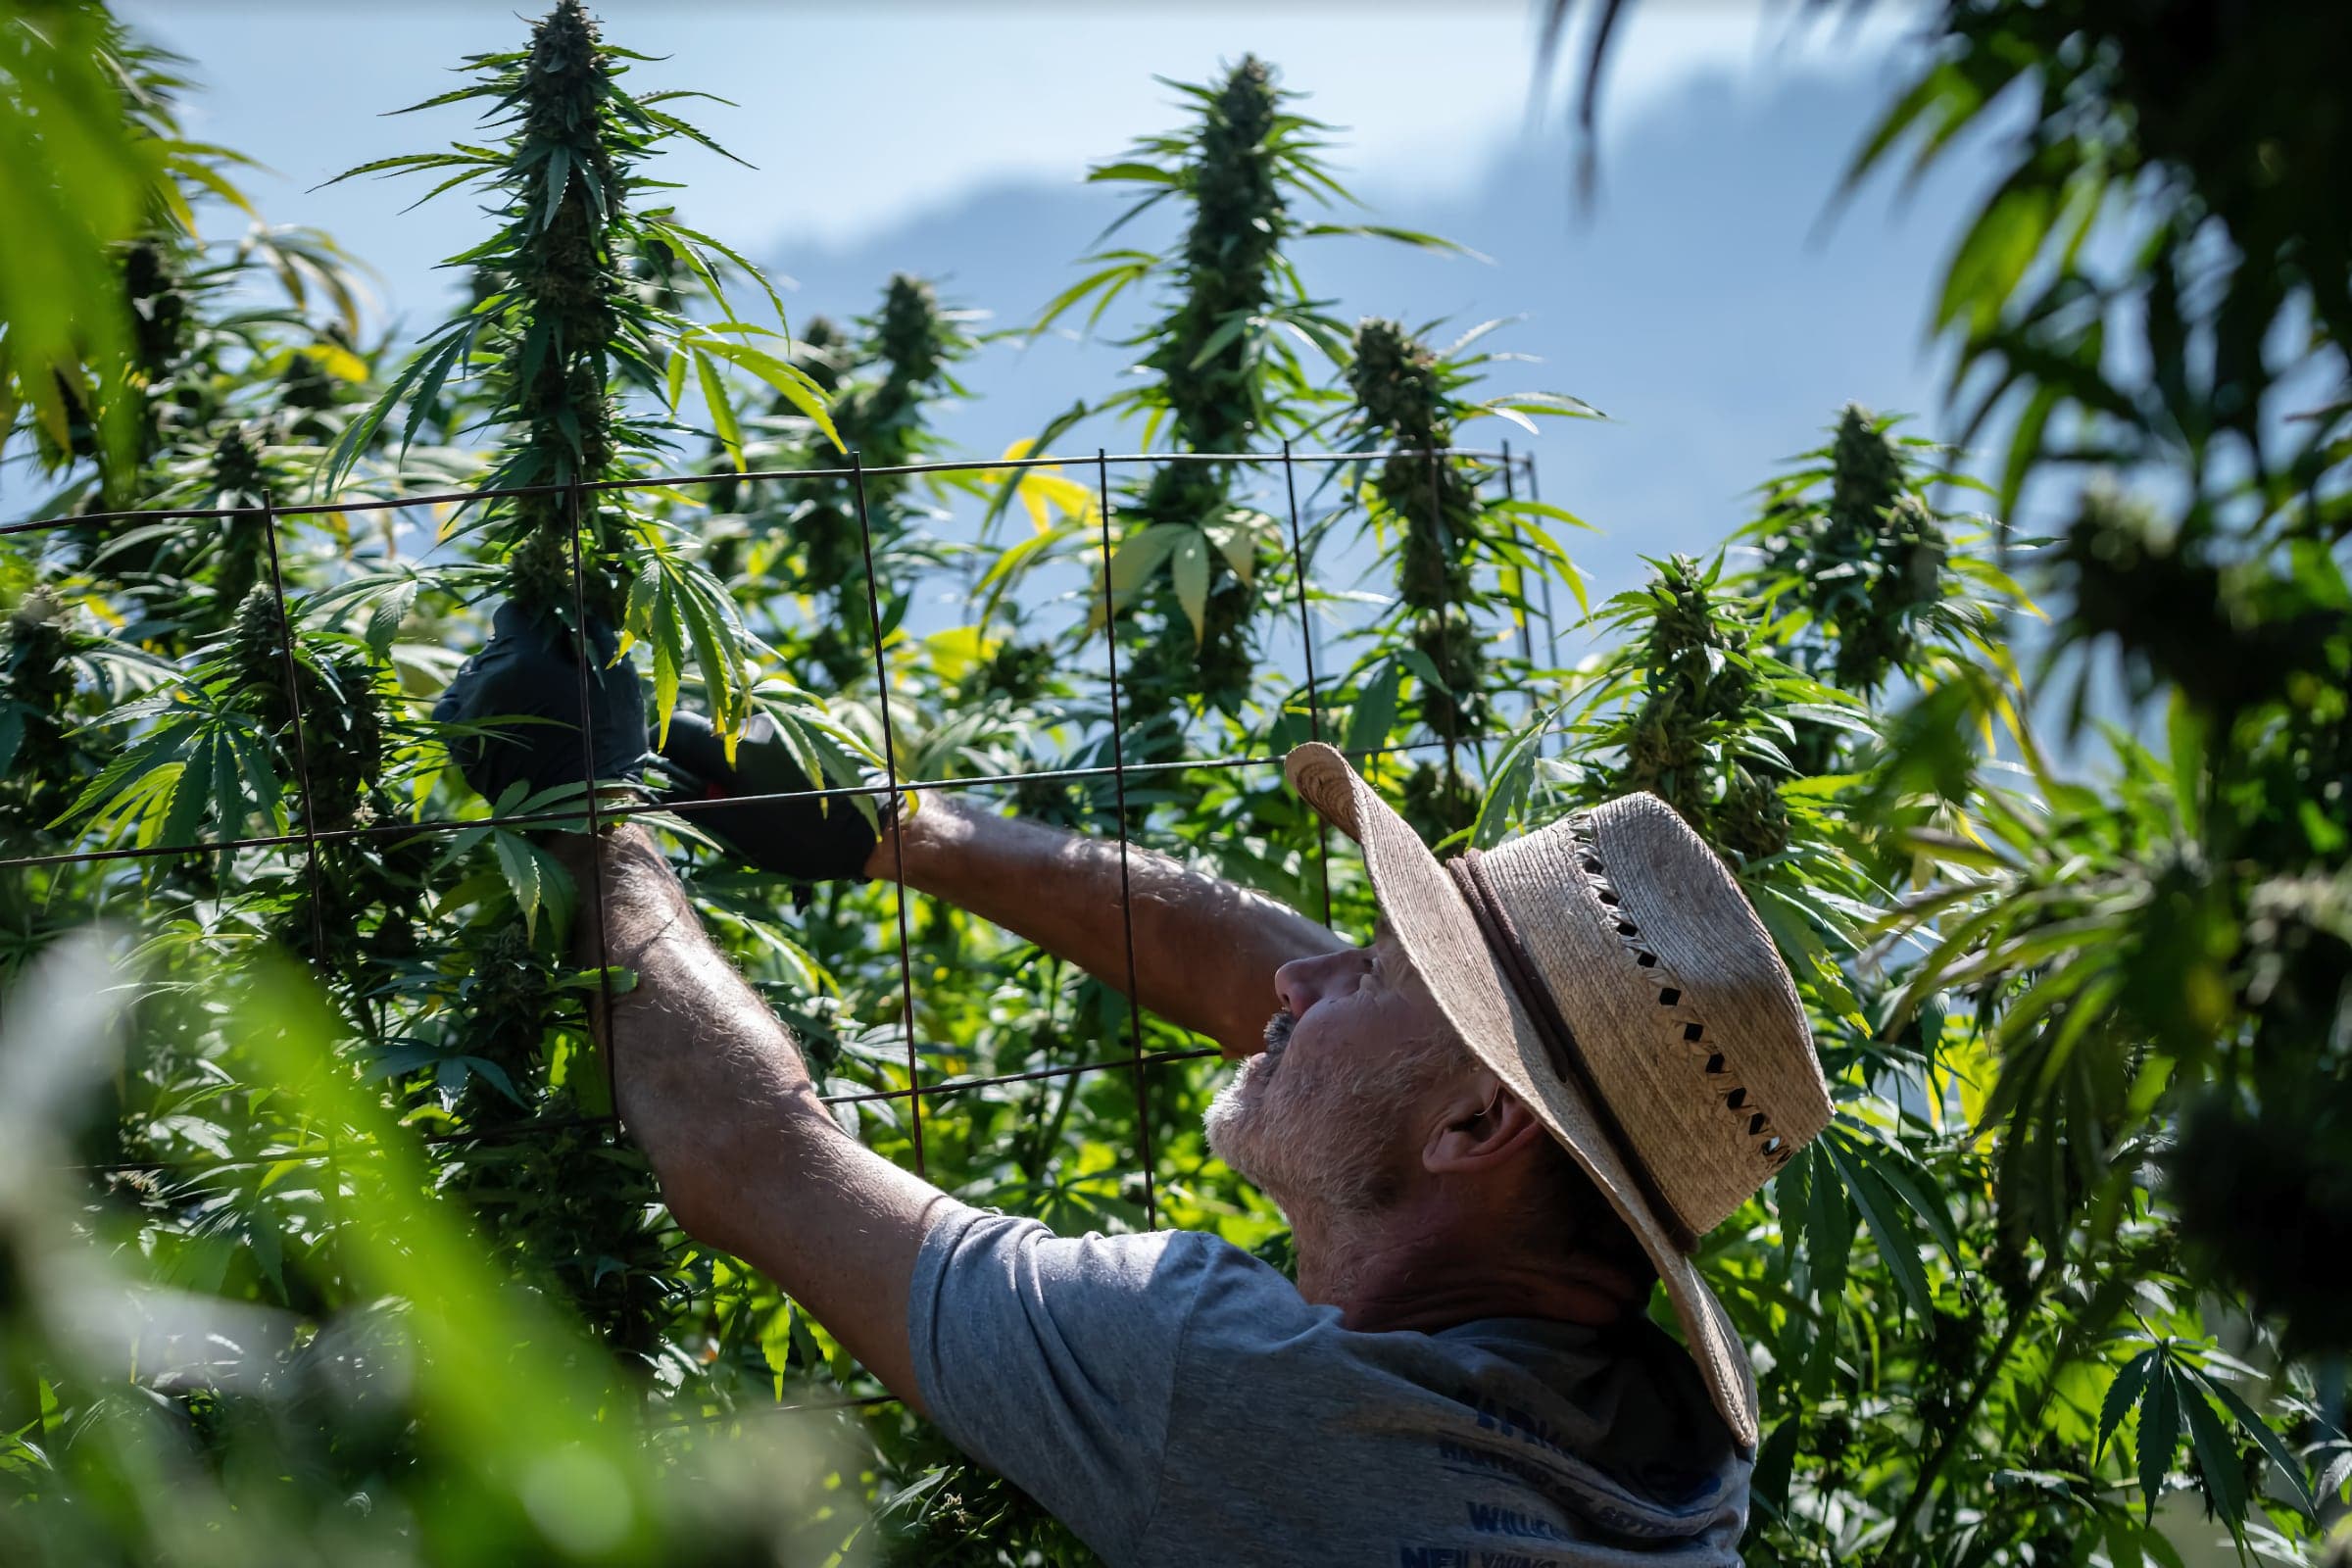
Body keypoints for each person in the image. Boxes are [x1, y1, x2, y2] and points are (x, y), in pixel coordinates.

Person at [437, 612, 1836, 1567]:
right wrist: (897, 828)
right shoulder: (1678, 1453)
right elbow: (1337, 1020)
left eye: (1368, 966)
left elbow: (752, 1155)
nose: (1296, 983)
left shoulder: (1231, 1392)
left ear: (1474, 1129)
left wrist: (590, 824)